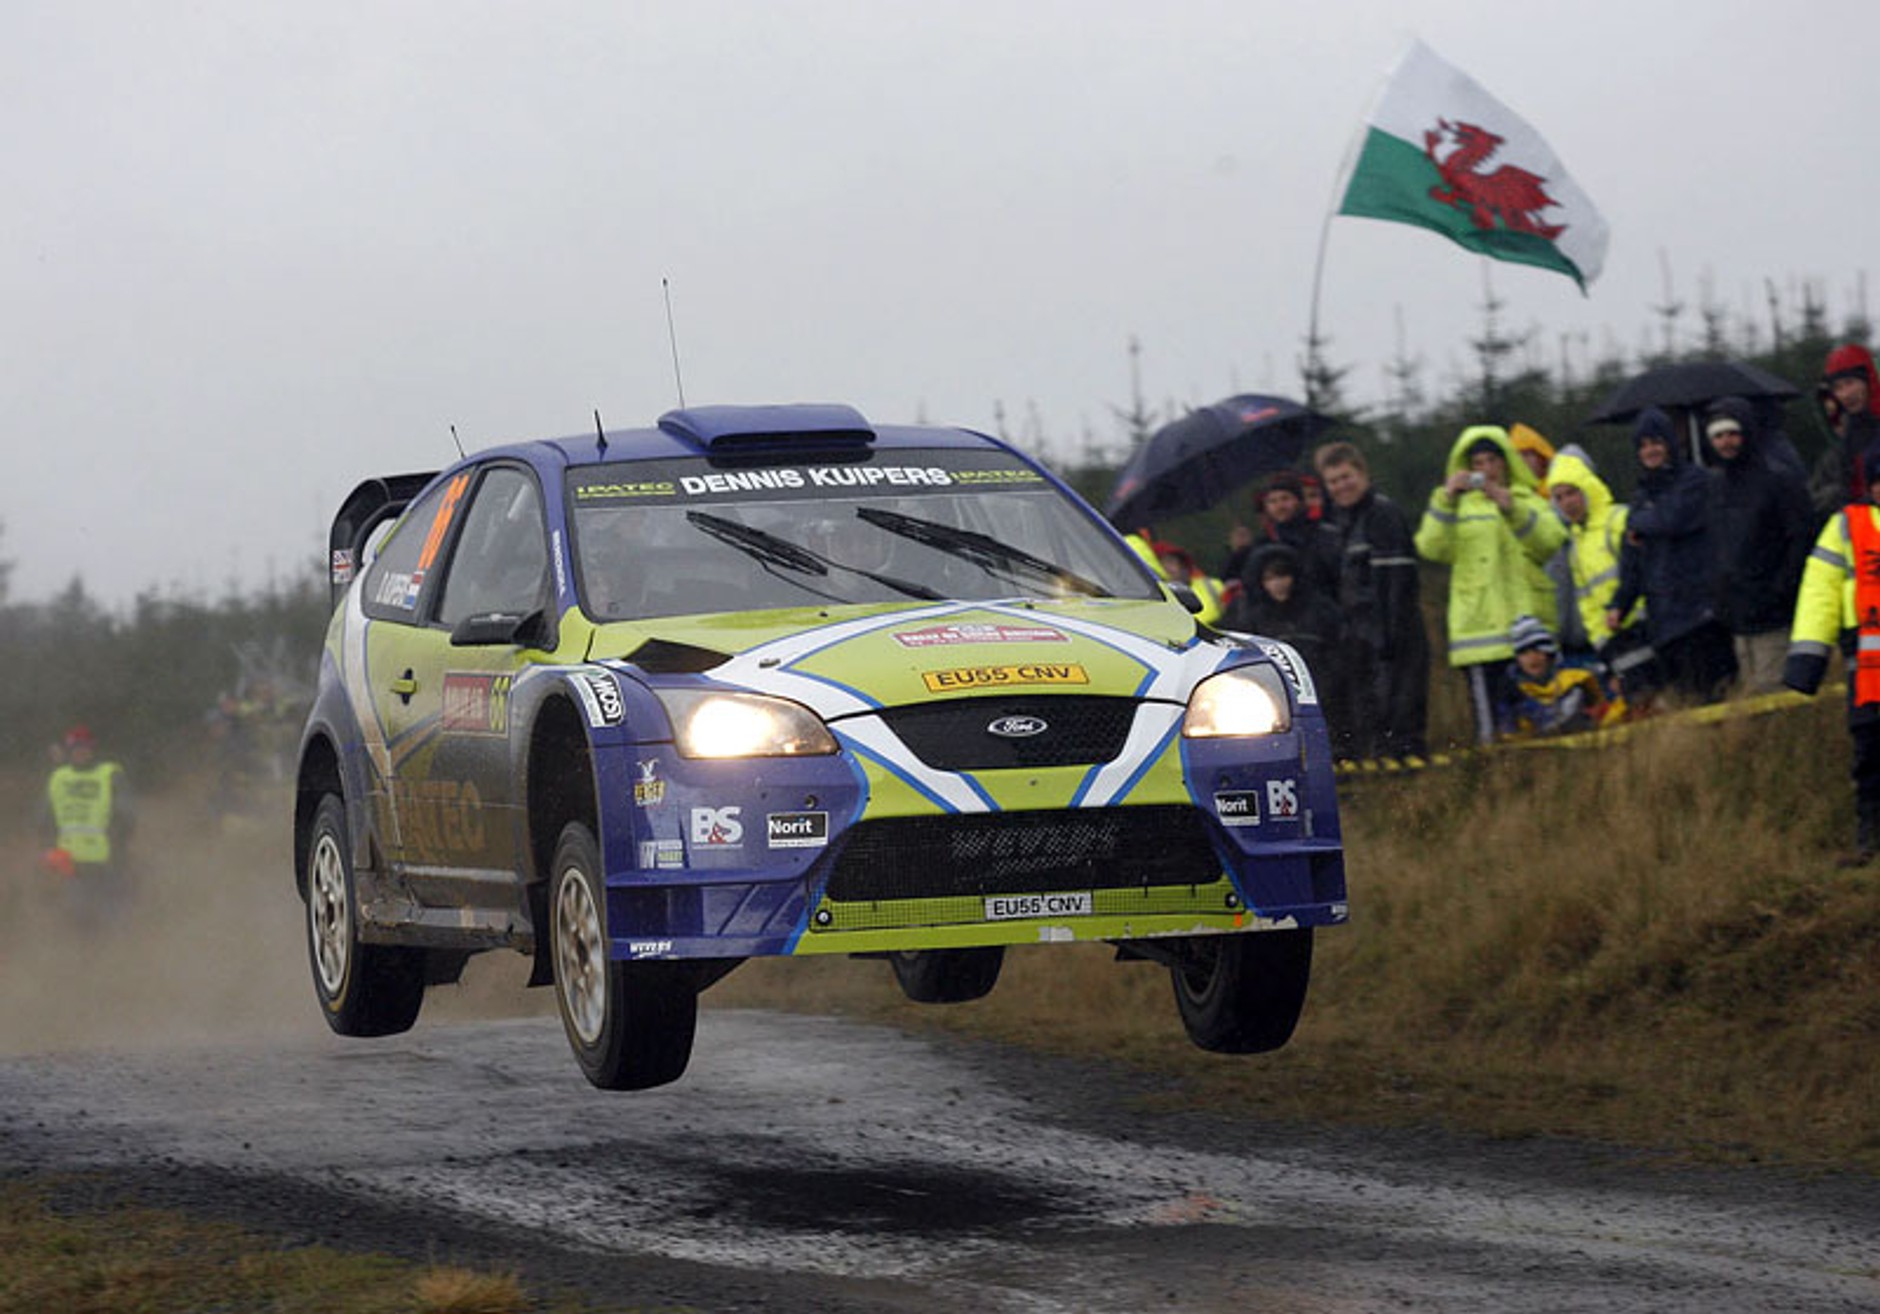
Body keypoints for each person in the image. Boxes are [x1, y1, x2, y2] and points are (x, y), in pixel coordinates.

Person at [1414, 425, 1566, 745]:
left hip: (1528, 631)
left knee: (1544, 718)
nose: (1485, 470)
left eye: (1492, 461)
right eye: (1477, 463)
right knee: (1493, 729)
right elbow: (1430, 547)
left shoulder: (1527, 500)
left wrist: (1511, 507)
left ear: (1507, 462)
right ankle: (1498, 773)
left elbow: (1551, 542)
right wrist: (1446, 500)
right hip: (1479, 635)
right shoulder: (1455, 507)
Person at [1785, 445, 1880, 863]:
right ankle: (1870, 838)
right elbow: (1819, 591)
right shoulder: (1846, 527)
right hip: (1867, 669)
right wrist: (1807, 656)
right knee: (1870, 754)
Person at [1606, 408, 1736, 704]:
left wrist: (1640, 523)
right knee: (1686, 704)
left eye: (1656, 442)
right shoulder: (1641, 496)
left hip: (1702, 618)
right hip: (1664, 624)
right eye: (1643, 445)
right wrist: (1620, 605)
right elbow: (1632, 561)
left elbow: (1672, 519)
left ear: (1669, 444)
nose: (1650, 451)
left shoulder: (1696, 480)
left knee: (1718, 697)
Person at [1313, 440, 1430, 761]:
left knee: (1401, 714)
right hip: (1359, 633)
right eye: (1333, 481)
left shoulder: (1382, 513)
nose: (1341, 486)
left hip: (1393, 630)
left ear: (1362, 473)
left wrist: (1389, 636)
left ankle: (1412, 777)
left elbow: (1398, 582)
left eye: (1346, 477)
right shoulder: (1340, 521)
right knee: (1372, 719)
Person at [1702, 397, 1813, 694]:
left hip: (1775, 615)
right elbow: (1717, 548)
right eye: (1718, 435)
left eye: (1732, 433)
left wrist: (1780, 589)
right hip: (1738, 619)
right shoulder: (1715, 488)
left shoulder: (1778, 480)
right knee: (1752, 697)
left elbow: (1800, 539)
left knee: (1776, 693)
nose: (1726, 442)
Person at [1546, 445, 1657, 702]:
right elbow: (1587, 604)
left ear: (1587, 488)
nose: (1566, 503)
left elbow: (1645, 571)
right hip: (1617, 643)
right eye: (1559, 498)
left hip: (1647, 629)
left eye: (1571, 493)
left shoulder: (1618, 519)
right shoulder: (1576, 544)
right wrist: (1603, 647)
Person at [1225, 542, 1353, 753]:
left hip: (1322, 691)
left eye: (1282, 576)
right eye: (1269, 579)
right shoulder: (1247, 615)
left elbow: (1341, 650)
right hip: (1269, 696)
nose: (1278, 584)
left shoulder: (1321, 609)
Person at [40, 726, 134, 921]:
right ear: (69, 750)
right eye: (75, 748)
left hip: (106, 864)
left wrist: (118, 849)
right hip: (69, 866)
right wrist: (49, 850)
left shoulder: (110, 775)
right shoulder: (58, 778)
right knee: (76, 921)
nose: (80, 752)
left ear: (93, 748)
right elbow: (45, 820)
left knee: (110, 921)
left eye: (84, 747)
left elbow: (126, 817)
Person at [1495, 614, 1621, 739]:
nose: (1532, 658)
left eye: (1537, 650)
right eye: (1524, 652)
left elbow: (1608, 706)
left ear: (1549, 652)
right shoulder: (1512, 693)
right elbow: (1510, 734)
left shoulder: (1578, 677)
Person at [1808, 344, 1880, 523]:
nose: (1845, 394)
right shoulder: (1848, 439)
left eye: (1850, 383)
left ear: (1868, 380)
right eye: (1837, 387)